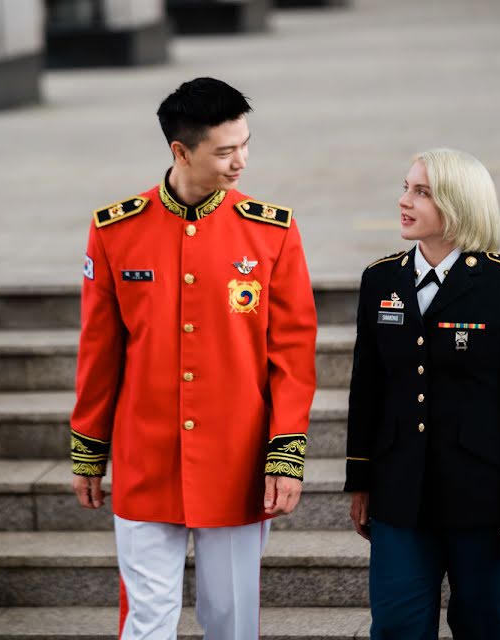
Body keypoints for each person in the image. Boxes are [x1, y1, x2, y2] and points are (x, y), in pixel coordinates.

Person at [70, 77, 318, 640]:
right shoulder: (115, 230)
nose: (241, 161)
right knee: (147, 618)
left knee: (231, 619)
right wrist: (89, 451)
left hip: (236, 460)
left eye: (245, 145)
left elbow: (292, 357)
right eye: (225, 151)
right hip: (145, 458)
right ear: (181, 151)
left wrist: (285, 456)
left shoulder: (271, 232)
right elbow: (99, 351)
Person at [344, 148, 500, 639]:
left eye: (421, 192)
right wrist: (361, 479)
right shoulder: (381, 279)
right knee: (397, 626)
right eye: (406, 188)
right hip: (401, 496)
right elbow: (367, 387)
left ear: (458, 204)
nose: (404, 201)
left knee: (488, 626)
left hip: (487, 498)